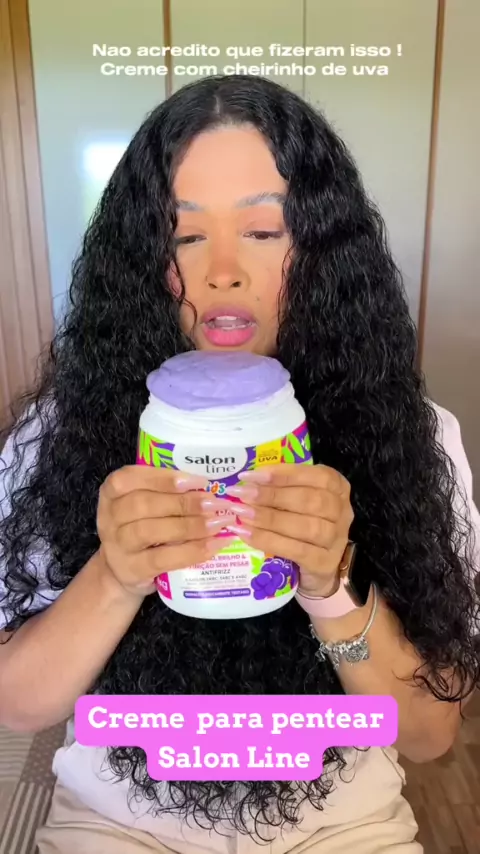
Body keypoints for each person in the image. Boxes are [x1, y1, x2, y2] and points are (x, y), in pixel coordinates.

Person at [0, 74, 478, 854]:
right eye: (184, 236)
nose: (223, 270)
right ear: (143, 259)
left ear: (323, 250)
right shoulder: (59, 431)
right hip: (118, 816)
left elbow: (428, 734)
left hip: (341, 819)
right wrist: (115, 577)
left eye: (263, 230)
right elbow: (16, 704)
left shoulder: (413, 436)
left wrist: (330, 587)